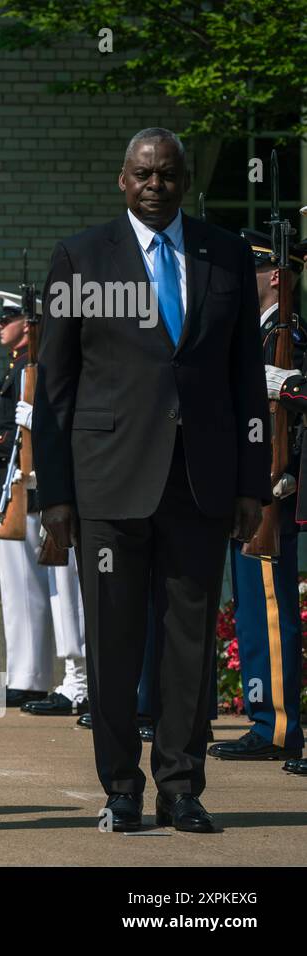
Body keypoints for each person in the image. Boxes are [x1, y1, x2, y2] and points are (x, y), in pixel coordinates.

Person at [34, 127, 270, 834]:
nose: (156, 186)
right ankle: (120, 786)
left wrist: (251, 484)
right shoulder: (81, 257)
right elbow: (56, 389)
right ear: (122, 180)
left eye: (168, 175)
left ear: (184, 180)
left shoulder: (224, 254)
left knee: (189, 642)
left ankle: (180, 783)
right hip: (108, 484)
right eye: (143, 174)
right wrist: (56, 499)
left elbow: (246, 383)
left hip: (199, 480)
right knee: (113, 641)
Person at [0, 292, 88, 716]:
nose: (2, 326)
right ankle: (32, 675)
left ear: (31, 324)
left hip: (54, 491)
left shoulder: (55, 365)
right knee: (29, 591)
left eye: (12, 318)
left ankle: (77, 678)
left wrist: (37, 418)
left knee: (66, 590)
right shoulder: (20, 368)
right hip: (23, 488)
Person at [222, 230, 307, 763]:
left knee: (272, 611)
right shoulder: (248, 335)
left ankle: (278, 725)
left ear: (276, 276)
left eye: (250, 268)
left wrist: (290, 382)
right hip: (245, 494)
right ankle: (262, 719)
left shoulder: (289, 333)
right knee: (253, 610)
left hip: (275, 494)